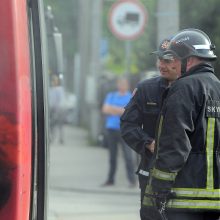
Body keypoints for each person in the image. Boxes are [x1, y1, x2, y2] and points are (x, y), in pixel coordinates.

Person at [142, 29, 220, 220]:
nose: (172, 64)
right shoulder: (217, 87)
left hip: (183, 199)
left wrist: (157, 191)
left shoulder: (183, 88)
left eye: (175, 58)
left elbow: (174, 145)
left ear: (190, 60)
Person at [120, 38, 180, 219]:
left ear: (182, 61)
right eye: (159, 59)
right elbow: (128, 124)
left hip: (184, 174)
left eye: (168, 60)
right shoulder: (146, 89)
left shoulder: (192, 88)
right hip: (150, 170)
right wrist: (148, 143)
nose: (162, 64)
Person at [101, 78, 136, 187]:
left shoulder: (131, 97)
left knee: (128, 156)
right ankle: (110, 180)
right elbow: (105, 109)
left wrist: (113, 109)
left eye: (124, 84)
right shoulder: (111, 95)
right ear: (117, 85)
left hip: (125, 130)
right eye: (120, 83)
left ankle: (132, 181)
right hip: (111, 129)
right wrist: (120, 110)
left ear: (127, 85)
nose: (121, 85)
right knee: (112, 157)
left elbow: (128, 112)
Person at [49, 74, 65, 144]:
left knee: (60, 125)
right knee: (52, 125)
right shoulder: (50, 89)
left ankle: (61, 138)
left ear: (57, 82)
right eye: (52, 81)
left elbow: (61, 100)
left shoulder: (59, 89)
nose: (53, 82)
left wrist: (58, 108)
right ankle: (52, 138)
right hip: (52, 109)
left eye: (55, 81)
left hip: (59, 109)